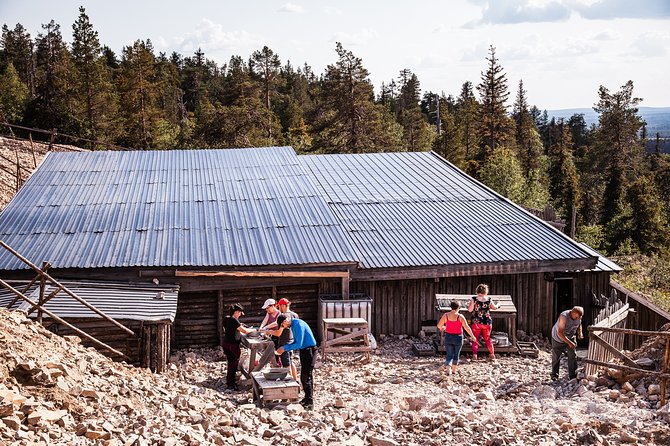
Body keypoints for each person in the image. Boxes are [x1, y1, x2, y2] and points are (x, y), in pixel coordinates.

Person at [275, 314, 317, 409]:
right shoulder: (293, 325)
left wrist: (284, 348)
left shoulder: (298, 324)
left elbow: (299, 343)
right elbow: (296, 342)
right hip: (304, 350)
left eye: (282, 325)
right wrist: (284, 348)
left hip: (309, 350)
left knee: (305, 376)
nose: (283, 327)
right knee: (306, 375)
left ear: (285, 321)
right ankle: (307, 398)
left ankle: (310, 402)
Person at [437, 300, 477, 375]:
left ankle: (448, 370)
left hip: (448, 336)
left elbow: (439, 326)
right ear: (458, 308)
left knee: (449, 354)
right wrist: (473, 336)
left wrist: (444, 327)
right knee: (456, 354)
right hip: (458, 337)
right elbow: (467, 328)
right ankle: (454, 370)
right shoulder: (460, 316)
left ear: (451, 307)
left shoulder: (446, 315)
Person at [221, 304, 253, 391]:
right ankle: (230, 384)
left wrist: (238, 326)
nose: (240, 315)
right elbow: (245, 331)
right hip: (233, 345)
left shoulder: (226, 318)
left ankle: (230, 381)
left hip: (226, 343)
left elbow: (226, 329)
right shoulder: (234, 320)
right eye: (239, 313)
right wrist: (254, 330)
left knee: (230, 362)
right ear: (236, 312)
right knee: (233, 363)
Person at [265, 297, 299, 380]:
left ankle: (290, 383)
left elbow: (278, 333)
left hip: (284, 343)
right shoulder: (295, 315)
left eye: (279, 306)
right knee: (291, 362)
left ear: (283, 306)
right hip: (292, 341)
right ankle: (296, 380)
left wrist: (269, 332)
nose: (279, 308)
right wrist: (266, 327)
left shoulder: (283, 316)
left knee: (286, 365)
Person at [551, 306, 584, 381]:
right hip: (558, 337)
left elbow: (579, 325)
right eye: (577, 317)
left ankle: (573, 376)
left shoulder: (578, 316)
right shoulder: (564, 316)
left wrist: (580, 333)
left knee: (572, 355)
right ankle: (554, 375)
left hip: (570, 336)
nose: (578, 318)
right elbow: (560, 333)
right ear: (573, 313)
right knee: (556, 356)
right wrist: (569, 343)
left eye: (579, 317)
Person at [467, 283, 498, 361]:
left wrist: (469, 305)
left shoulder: (474, 299)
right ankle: (492, 355)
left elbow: (470, 310)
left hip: (476, 322)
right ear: (486, 291)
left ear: (477, 291)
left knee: (475, 339)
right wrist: (498, 305)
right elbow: (494, 308)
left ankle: (475, 356)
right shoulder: (489, 299)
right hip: (487, 322)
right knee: (487, 339)